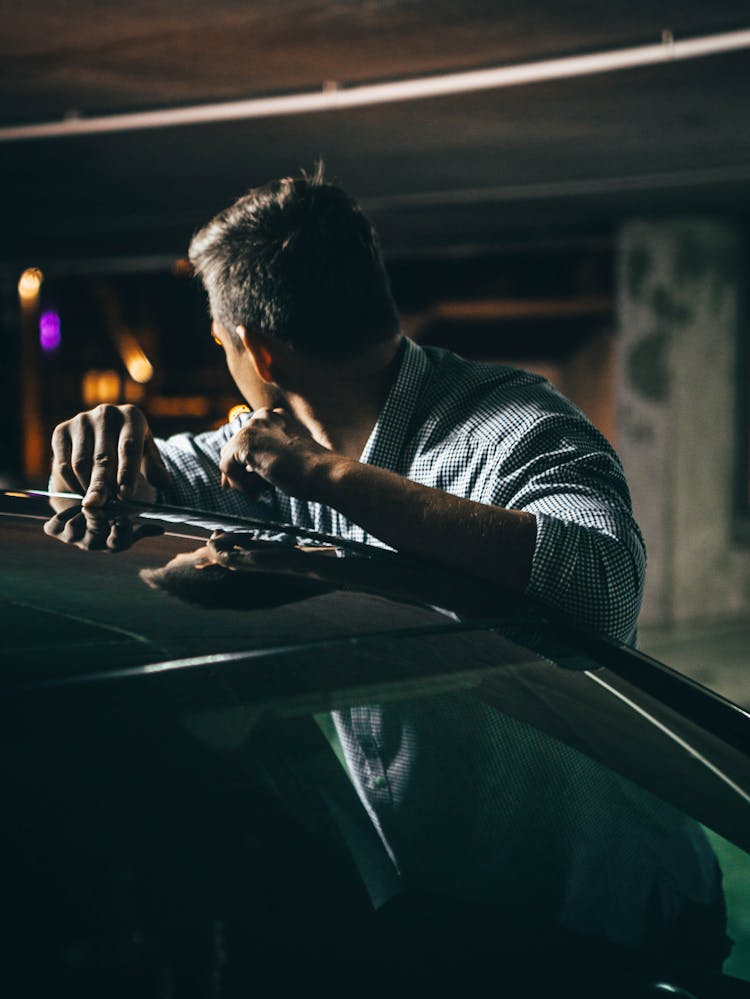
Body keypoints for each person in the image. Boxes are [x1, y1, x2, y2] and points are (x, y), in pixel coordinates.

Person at [50, 167, 645, 644]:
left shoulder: (513, 428)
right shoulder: (269, 447)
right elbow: (142, 489)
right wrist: (97, 465)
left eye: (220, 340)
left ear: (259, 354)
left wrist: (326, 476)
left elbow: (606, 593)